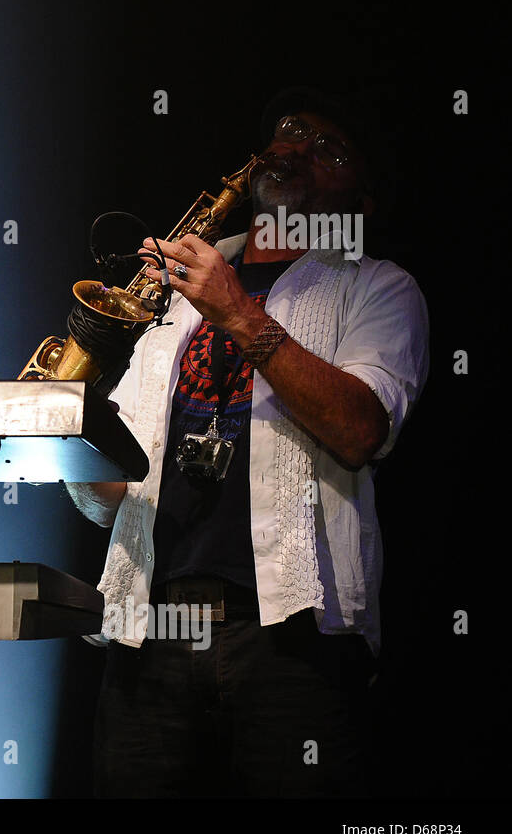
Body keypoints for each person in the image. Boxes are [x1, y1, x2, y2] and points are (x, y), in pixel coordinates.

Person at [66, 88, 429, 797]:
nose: (294, 148)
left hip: (293, 639)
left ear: (362, 200)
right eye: (290, 130)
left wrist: (235, 311)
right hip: (152, 624)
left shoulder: (379, 287)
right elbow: (111, 496)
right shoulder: (168, 292)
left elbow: (360, 430)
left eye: (328, 148)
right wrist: (63, 420)